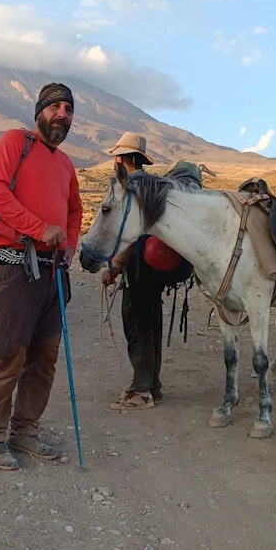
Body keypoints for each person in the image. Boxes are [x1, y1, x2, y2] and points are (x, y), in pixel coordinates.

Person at [0, 83, 82, 471]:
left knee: (44, 356)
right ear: (39, 111)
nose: (62, 114)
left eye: (68, 109)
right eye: (55, 106)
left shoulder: (66, 163)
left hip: (53, 269)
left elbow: (74, 212)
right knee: (8, 351)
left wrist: (69, 244)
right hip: (13, 262)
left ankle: (25, 431)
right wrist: (39, 228)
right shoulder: (12, 143)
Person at [100, 132, 165, 410]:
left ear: (122, 158)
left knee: (138, 326)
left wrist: (115, 266)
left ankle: (141, 391)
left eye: (117, 155)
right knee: (151, 325)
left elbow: (133, 235)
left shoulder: (131, 188)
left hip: (137, 268)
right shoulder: (150, 186)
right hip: (153, 270)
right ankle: (154, 386)